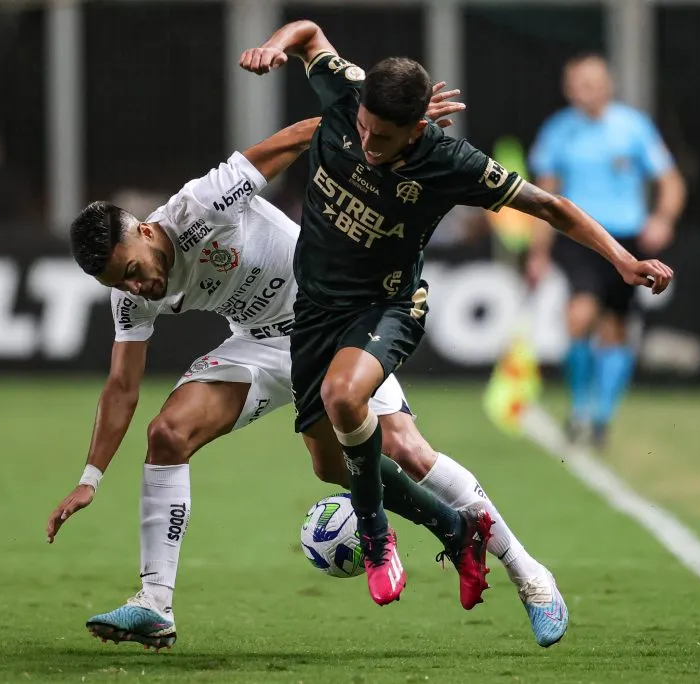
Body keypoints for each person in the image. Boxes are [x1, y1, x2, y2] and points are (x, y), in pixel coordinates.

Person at [45, 93, 567, 651]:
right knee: (167, 434)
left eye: (132, 272)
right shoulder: (131, 297)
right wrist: (90, 477)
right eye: (118, 285)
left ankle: (531, 576)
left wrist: (394, 123)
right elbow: (122, 386)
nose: (135, 287)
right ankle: (154, 604)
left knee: (404, 452)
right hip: (259, 343)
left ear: (145, 233)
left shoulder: (203, 204)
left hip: (333, 318)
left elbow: (303, 135)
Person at [239, 20, 672, 642]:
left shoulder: (448, 161)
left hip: (385, 307)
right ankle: (455, 529)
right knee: (330, 462)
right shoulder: (348, 93)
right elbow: (310, 33)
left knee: (346, 399)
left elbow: (550, 207)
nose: (366, 143)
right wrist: (276, 47)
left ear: (418, 129)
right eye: (362, 127)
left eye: (383, 137)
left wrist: (623, 260)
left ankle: (396, 541)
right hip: (313, 312)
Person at [526, 53, 687, 450]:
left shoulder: (633, 127)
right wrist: (538, 251)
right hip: (579, 237)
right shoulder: (558, 131)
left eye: (592, 82)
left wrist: (662, 220)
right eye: (578, 83)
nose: (585, 91)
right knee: (579, 316)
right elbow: (542, 195)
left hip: (628, 238)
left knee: (615, 329)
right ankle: (581, 408)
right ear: (568, 89)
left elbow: (670, 181)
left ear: (608, 85)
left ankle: (602, 417)